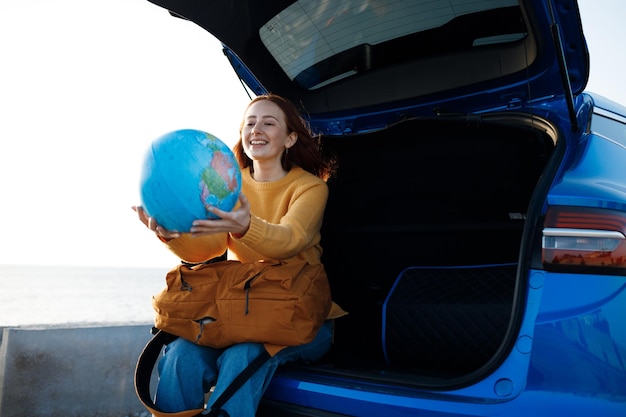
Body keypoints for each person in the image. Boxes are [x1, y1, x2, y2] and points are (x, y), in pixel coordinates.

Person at [133, 94, 345, 417]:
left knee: (241, 355)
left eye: (268, 122)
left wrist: (248, 226)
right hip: (241, 316)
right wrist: (169, 234)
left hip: (301, 318)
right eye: (250, 122)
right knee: (180, 357)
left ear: (290, 138)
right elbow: (211, 247)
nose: (256, 129)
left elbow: (290, 239)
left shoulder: (311, 188)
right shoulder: (229, 185)